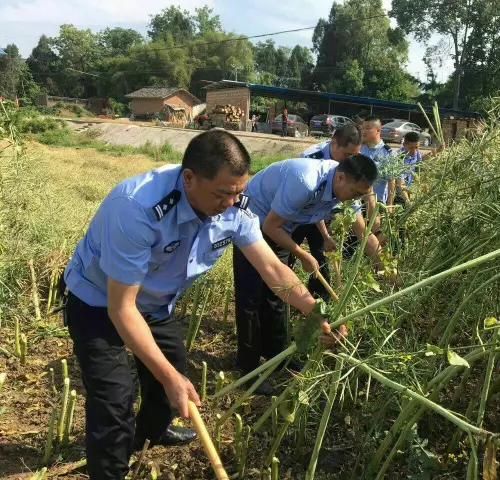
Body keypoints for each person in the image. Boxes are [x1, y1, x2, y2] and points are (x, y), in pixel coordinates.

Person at [60, 130, 341, 480]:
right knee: (115, 399)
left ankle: (151, 432)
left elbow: (272, 269)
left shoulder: (234, 204)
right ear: (189, 178)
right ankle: (111, 471)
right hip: (99, 302)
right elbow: (122, 309)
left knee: (174, 363)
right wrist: (170, 378)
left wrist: (315, 311)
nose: (231, 202)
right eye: (223, 194)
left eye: (239, 192)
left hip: (154, 303)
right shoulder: (137, 208)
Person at [233, 155, 378, 392]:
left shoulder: (345, 188)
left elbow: (348, 223)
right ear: (341, 178)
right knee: (251, 296)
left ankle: (277, 355)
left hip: (283, 225)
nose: (356, 199)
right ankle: (249, 368)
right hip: (253, 219)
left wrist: (380, 260)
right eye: (355, 193)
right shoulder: (305, 180)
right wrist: (302, 253)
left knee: (278, 293)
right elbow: (270, 226)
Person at [294, 125, 363, 299]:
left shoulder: (349, 166)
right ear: (334, 144)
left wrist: (325, 236)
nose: (351, 160)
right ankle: (286, 297)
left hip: (321, 214)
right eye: (348, 155)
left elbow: (352, 207)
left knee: (321, 257)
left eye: (355, 155)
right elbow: (309, 204)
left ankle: (320, 300)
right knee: (286, 256)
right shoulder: (310, 160)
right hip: (297, 213)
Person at [358, 115, 396, 244]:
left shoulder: (388, 153)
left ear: (378, 130)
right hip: (359, 202)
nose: (364, 131)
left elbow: (391, 180)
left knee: (376, 237)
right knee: (358, 238)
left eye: (368, 128)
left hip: (378, 204)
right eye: (363, 128)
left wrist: (390, 204)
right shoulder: (360, 150)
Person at [395, 131, 422, 208]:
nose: (414, 151)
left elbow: (421, 161)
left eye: (416, 147)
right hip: (397, 194)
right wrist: (408, 202)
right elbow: (401, 184)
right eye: (411, 148)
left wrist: (437, 151)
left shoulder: (416, 153)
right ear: (404, 145)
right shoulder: (398, 157)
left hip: (407, 191)